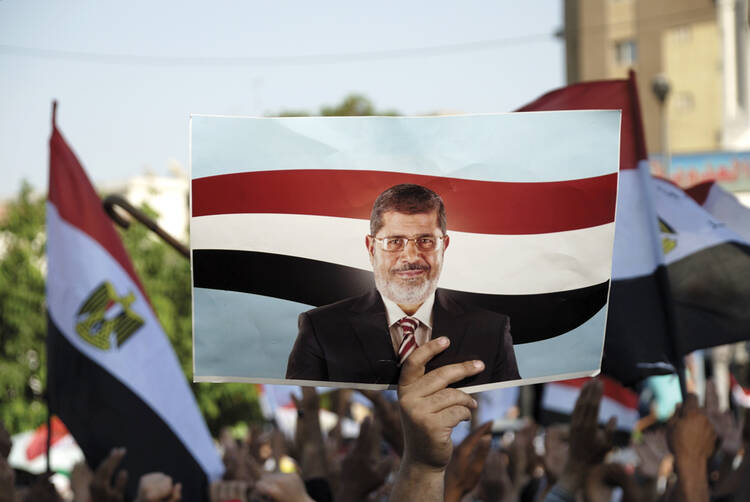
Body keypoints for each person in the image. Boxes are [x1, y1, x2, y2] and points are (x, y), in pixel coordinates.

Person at [286, 183, 520, 386]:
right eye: (394, 241)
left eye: (425, 240)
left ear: (444, 246)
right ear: (371, 248)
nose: (411, 256)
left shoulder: (492, 331)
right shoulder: (320, 328)